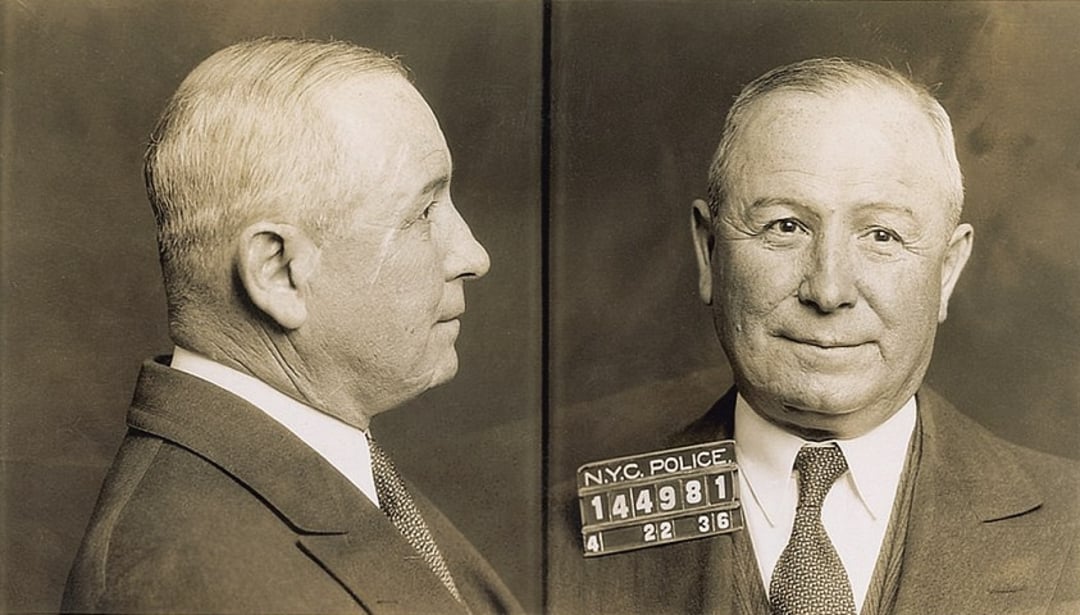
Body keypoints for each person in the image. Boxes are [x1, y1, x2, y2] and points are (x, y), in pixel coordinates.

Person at [549, 58, 1080, 614]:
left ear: (946, 270)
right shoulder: (567, 537)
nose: (828, 291)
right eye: (786, 226)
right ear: (709, 253)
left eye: (882, 234)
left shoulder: (1070, 524)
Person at [62, 37, 521, 614]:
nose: (473, 255)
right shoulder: (190, 587)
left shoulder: (321, 478)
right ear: (278, 272)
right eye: (422, 214)